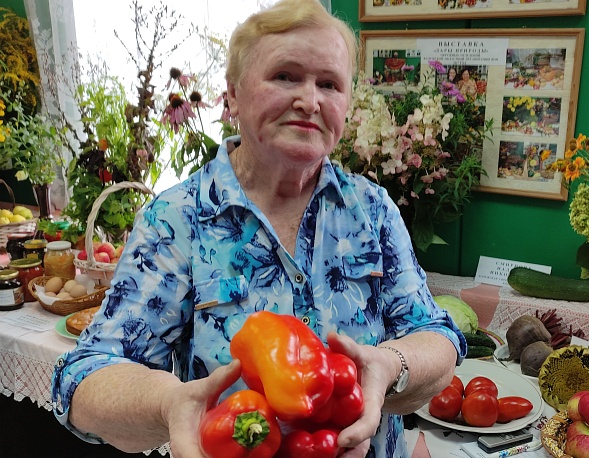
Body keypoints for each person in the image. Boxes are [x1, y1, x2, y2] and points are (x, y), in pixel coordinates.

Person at [50, 1, 466, 457]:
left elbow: (436, 337)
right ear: (231, 95)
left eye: (329, 84)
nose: (310, 100)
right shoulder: (178, 218)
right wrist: (170, 404)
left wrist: (391, 365)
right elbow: (86, 376)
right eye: (285, 76)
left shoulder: (373, 209)